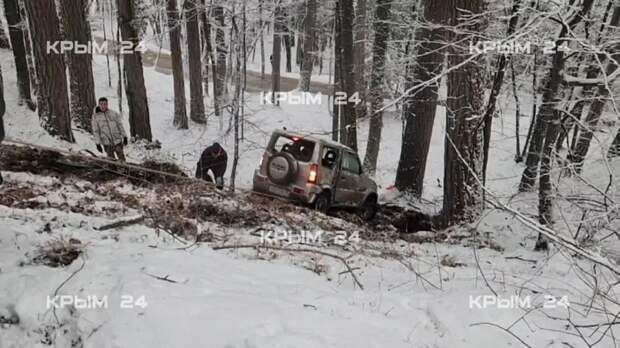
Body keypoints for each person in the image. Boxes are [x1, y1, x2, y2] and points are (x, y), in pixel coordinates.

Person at [92, 97, 127, 161]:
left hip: (117, 140)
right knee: (111, 159)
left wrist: (124, 136)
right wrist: (98, 144)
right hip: (106, 142)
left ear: (107, 104)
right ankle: (112, 170)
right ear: (99, 105)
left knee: (121, 156)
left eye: (105, 104)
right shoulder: (95, 117)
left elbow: (120, 125)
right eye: (101, 104)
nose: (103, 106)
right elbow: (96, 131)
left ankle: (124, 170)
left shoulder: (113, 113)